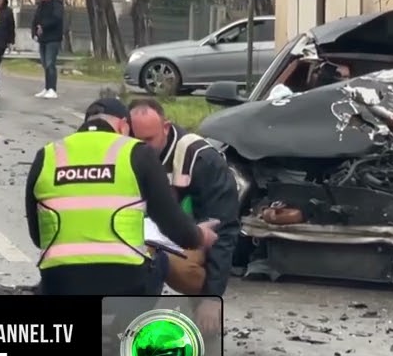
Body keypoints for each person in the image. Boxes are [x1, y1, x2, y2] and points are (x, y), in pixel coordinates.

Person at [24, 97, 220, 296]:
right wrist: (200, 236)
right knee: (160, 258)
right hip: (125, 284)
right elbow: (173, 225)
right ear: (123, 125)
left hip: (59, 284)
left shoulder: (46, 156)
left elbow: (38, 237)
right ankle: (135, 314)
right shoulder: (137, 153)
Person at [128, 97, 239, 334]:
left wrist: (211, 297)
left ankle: (194, 306)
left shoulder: (201, 160)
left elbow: (224, 228)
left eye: (149, 140)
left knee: (161, 260)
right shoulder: (121, 153)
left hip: (186, 240)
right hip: (136, 236)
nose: (142, 148)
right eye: (136, 140)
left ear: (166, 128)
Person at [30, 0, 65, 99]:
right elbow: (35, 20)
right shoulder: (40, 6)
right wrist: (34, 32)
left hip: (53, 38)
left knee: (50, 63)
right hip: (43, 39)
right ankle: (47, 87)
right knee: (45, 64)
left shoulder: (56, 4)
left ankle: (52, 89)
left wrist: (43, 27)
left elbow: (56, 19)